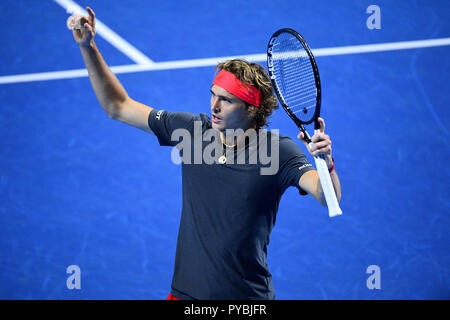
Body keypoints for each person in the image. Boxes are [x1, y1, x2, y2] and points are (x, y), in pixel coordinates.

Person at [71, 7, 342, 300]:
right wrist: (89, 47)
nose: (214, 106)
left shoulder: (278, 151)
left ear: (251, 108)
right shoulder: (192, 131)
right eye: (213, 94)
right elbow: (118, 106)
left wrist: (325, 162)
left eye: (226, 100)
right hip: (185, 296)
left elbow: (329, 197)